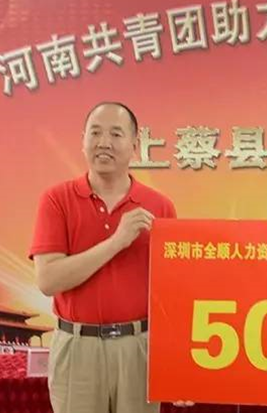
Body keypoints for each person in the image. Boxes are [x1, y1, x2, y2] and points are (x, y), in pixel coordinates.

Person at [29, 102, 177, 413]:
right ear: (83, 141)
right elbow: (48, 280)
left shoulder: (160, 207)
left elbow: (172, 294)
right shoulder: (57, 200)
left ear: (135, 145)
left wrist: (178, 364)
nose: (104, 142)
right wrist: (117, 242)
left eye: (116, 134)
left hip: (138, 348)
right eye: (95, 133)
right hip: (78, 348)